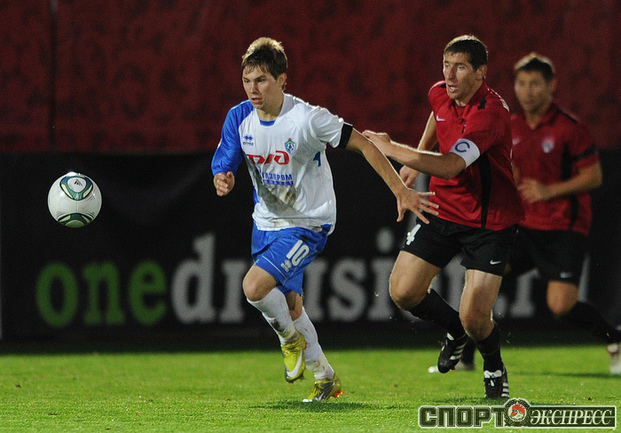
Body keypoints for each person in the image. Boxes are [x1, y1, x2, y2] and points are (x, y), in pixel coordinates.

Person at [211, 37, 437, 402]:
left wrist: (399, 189)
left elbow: (364, 144)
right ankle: (326, 377)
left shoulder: (308, 119)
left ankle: (289, 341)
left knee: (253, 288)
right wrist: (222, 176)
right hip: (266, 222)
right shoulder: (240, 117)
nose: (253, 89)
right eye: (247, 80)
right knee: (291, 307)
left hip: (308, 223)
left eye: (262, 80)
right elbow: (226, 157)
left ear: (282, 79)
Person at [430, 52, 621, 376]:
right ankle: (466, 357)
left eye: (535, 84)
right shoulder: (510, 123)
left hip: (563, 227)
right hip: (521, 225)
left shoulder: (570, 127)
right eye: (521, 83)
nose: (527, 91)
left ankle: (615, 339)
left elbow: (594, 177)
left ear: (551, 86)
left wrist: (549, 190)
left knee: (561, 305)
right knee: (480, 276)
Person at [364, 35, 524, 399]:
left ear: (481, 72)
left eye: (460, 67)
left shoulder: (491, 113)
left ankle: (493, 365)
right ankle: (454, 329)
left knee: (475, 317)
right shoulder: (440, 92)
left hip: (490, 221)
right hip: (444, 208)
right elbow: (438, 116)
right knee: (403, 291)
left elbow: (452, 166)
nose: (449, 75)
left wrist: (393, 150)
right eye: (446, 65)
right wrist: (420, 153)